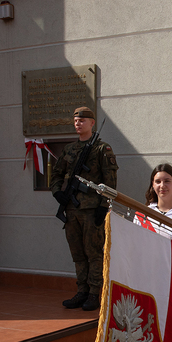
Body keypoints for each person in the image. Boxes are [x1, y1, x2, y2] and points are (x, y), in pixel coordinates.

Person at [50, 107, 117, 312]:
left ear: (92, 123)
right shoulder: (69, 149)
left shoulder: (101, 149)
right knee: (78, 254)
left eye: (83, 120)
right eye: (76, 120)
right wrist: (57, 192)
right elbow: (56, 175)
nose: (78, 123)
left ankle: (94, 293)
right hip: (72, 210)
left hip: (91, 210)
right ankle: (82, 291)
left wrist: (103, 206)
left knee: (94, 253)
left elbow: (110, 181)